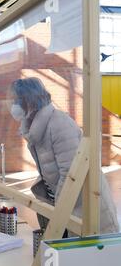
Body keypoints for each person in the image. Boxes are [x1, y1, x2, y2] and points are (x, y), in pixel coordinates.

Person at [8, 77, 119, 234]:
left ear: (30, 99)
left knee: (90, 252)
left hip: (83, 203)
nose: (14, 105)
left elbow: (70, 172)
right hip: (63, 203)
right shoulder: (33, 127)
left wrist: (59, 212)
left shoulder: (59, 123)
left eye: (17, 100)